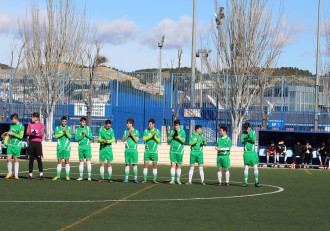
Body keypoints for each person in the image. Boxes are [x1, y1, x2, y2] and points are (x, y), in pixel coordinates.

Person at [3, 114, 25, 180]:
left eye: (12, 119)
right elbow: (9, 135)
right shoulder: (11, 125)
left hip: (17, 145)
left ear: (15, 119)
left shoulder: (21, 126)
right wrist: (6, 140)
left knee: (16, 160)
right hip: (10, 144)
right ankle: (10, 173)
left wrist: (13, 134)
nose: (11, 121)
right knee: (8, 159)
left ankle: (16, 175)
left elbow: (21, 136)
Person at [26, 112, 45, 180]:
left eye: (33, 117)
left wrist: (36, 133)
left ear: (36, 118)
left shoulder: (41, 125)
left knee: (39, 159)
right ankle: (30, 174)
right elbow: (27, 132)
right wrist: (31, 133)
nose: (32, 118)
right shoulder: (29, 124)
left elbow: (42, 134)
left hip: (38, 144)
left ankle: (41, 174)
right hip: (31, 143)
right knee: (31, 159)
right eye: (32, 117)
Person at [52, 116, 72, 181]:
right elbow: (56, 136)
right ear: (61, 121)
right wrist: (63, 133)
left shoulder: (68, 128)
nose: (64, 122)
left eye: (65, 121)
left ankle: (67, 176)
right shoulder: (57, 128)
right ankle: (58, 176)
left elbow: (70, 137)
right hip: (60, 146)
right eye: (63, 121)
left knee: (67, 161)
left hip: (67, 147)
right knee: (59, 161)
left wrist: (66, 132)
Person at [142, 118, 161, 184]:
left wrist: (154, 136)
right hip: (147, 151)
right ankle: (144, 179)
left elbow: (158, 140)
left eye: (150, 124)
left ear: (153, 124)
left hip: (154, 151)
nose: (149, 125)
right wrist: (151, 135)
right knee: (145, 164)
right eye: (149, 124)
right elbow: (144, 138)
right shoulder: (146, 131)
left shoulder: (157, 131)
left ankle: (154, 179)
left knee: (154, 164)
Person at [167, 119, 186, 185]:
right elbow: (168, 140)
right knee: (172, 165)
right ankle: (172, 180)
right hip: (172, 150)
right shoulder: (172, 131)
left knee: (178, 165)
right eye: (175, 125)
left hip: (180, 151)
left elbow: (183, 141)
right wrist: (173, 136)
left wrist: (179, 137)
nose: (176, 127)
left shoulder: (183, 132)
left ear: (179, 125)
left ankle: (178, 180)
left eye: (177, 125)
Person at [241, 122, 260, 187]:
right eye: (246, 128)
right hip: (246, 153)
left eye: (247, 128)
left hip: (252, 152)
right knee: (246, 168)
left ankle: (256, 182)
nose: (247, 129)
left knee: (255, 167)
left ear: (249, 127)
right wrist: (247, 138)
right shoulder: (243, 133)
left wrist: (249, 135)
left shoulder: (253, 132)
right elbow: (242, 141)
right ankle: (245, 182)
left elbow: (253, 141)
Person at [75, 117, 93, 181]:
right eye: (82, 122)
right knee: (81, 162)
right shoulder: (77, 130)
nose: (84, 123)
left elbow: (91, 138)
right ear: (80, 122)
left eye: (85, 122)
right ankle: (81, 176)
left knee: (88, 161)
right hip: (80, 147)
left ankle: (89, 177)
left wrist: (86, 134)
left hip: (87, 146)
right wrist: (82, 135)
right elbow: (76, 139)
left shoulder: (88, 128)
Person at [122, 118, 140, 183]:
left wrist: (132, 134)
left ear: (131, 124)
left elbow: (136, 140)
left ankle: (135, 178)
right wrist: (128, 135)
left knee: (134, 164)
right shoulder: (125, 131)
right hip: (127, 150)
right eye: (127, 123)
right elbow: (123, 140)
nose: (127, 124)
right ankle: (126, 178)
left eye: (128, 123)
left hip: (134, 150)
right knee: (127, 164)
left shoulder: (136, 131)